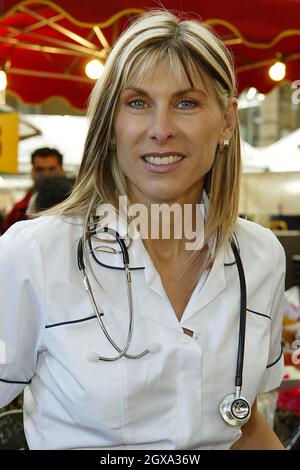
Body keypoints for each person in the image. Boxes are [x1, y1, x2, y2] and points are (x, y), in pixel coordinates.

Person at [0, 10, 286, 450]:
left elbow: (243, 427)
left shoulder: (260, 256)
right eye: (137, 103)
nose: (161, 129)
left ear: (228, 121)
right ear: (110, 125)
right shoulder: (33, 255)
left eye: (187, 103)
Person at [0, 147, 64, 234]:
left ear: (61, 170)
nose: (46, 174)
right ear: (32, 171)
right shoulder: (19, 210)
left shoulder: (76, 203)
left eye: (51, 169)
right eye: (40, 170)